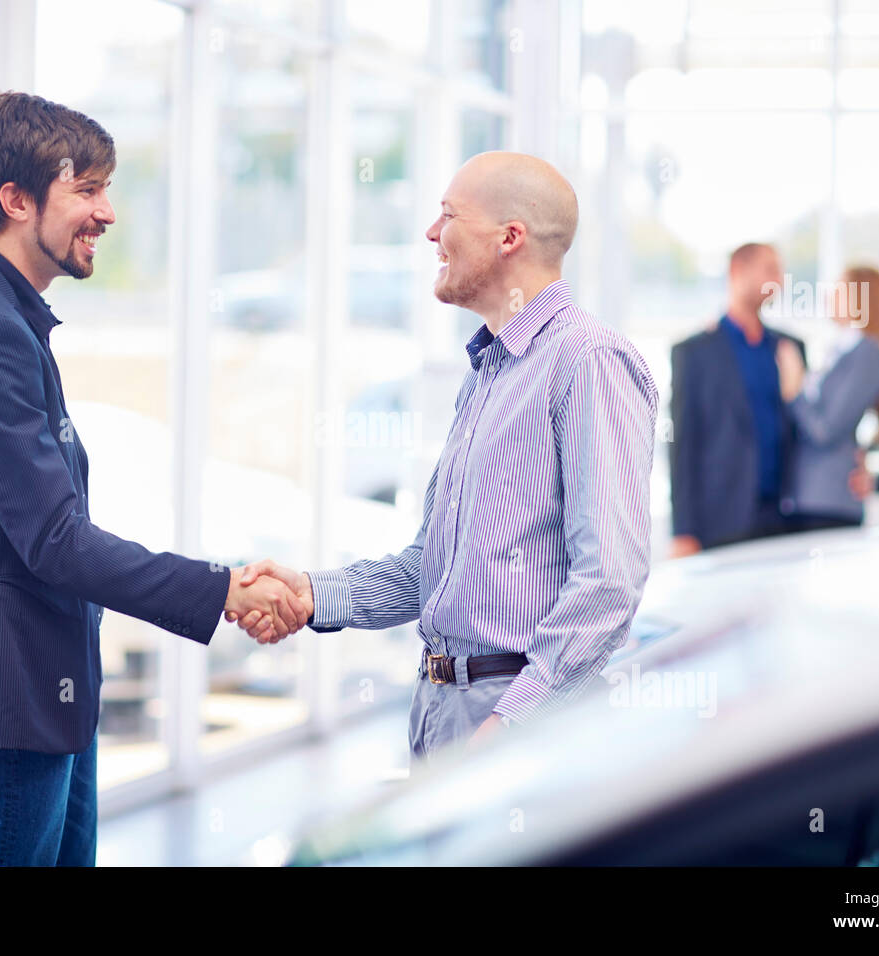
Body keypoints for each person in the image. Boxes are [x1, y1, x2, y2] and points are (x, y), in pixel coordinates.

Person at [0, 92, 306, 866]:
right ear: (16, 200)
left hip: (39, 684)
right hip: (15, 691)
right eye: (86, 188)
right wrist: (223, 590)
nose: (108, 212)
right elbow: (55, 540)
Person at [229, 151, 659, 766]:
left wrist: (517, 720)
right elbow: (431, 568)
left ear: (510, 238)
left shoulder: (589, 360)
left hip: (518, 720)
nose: (433, 233)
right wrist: (311, 594)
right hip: (442, 709)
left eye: (449, 214)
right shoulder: (491, 371)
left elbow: (610, 579)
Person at [668, 243, 807, 556]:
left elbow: (809, 426)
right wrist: (683, 530)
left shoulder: (789, 348)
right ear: (737, 272)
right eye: (770, 270)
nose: (780, 282)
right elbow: (682, 444)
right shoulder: (694, 353)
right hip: (721, 521)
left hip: (785, 519)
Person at [776, 265, 879, 530]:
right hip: (811, 497)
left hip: (828, 502)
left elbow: (825, 430)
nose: (829, 297)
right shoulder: (841, 350)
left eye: (839, 290)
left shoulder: (868, 353)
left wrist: (794, 391)